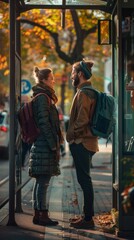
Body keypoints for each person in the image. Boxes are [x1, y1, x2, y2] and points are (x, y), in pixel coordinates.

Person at [29, 66, 63, 226]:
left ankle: (39, 214)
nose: (54, 81)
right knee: (43, 182)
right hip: (44, 144)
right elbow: (44, 122)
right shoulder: (43, 97)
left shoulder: (42, 96)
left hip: (42, 143)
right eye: (51, 78)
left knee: (41, 181)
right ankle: (42, 215)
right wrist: (53, 145)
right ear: (43, 80)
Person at [66, 60, 99, 229]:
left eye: (73, 72)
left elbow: (82, 119)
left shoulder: (85, 93)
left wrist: (70, 135)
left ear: (80, 74)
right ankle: (86, 216)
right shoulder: (86, 91)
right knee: (84, 179)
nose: (72, 75)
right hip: (87, 141)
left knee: (85, 180)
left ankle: (88, 219)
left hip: (82, 142)